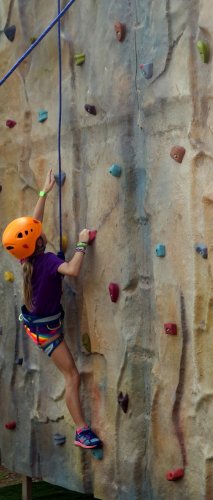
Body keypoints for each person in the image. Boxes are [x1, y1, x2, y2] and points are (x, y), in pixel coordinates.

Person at [2, 169, 102, 448]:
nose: (40, 229)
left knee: (71, 374)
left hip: (38, 325)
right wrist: (82, 242)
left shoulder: (27, 259)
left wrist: (44, 193)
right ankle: (81, 431)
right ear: (37, 242)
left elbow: (33, 225)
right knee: (72, 376)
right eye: (38, 233)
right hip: (46, 332)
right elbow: (71, 270)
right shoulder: (47, 262)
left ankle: (81, 429)